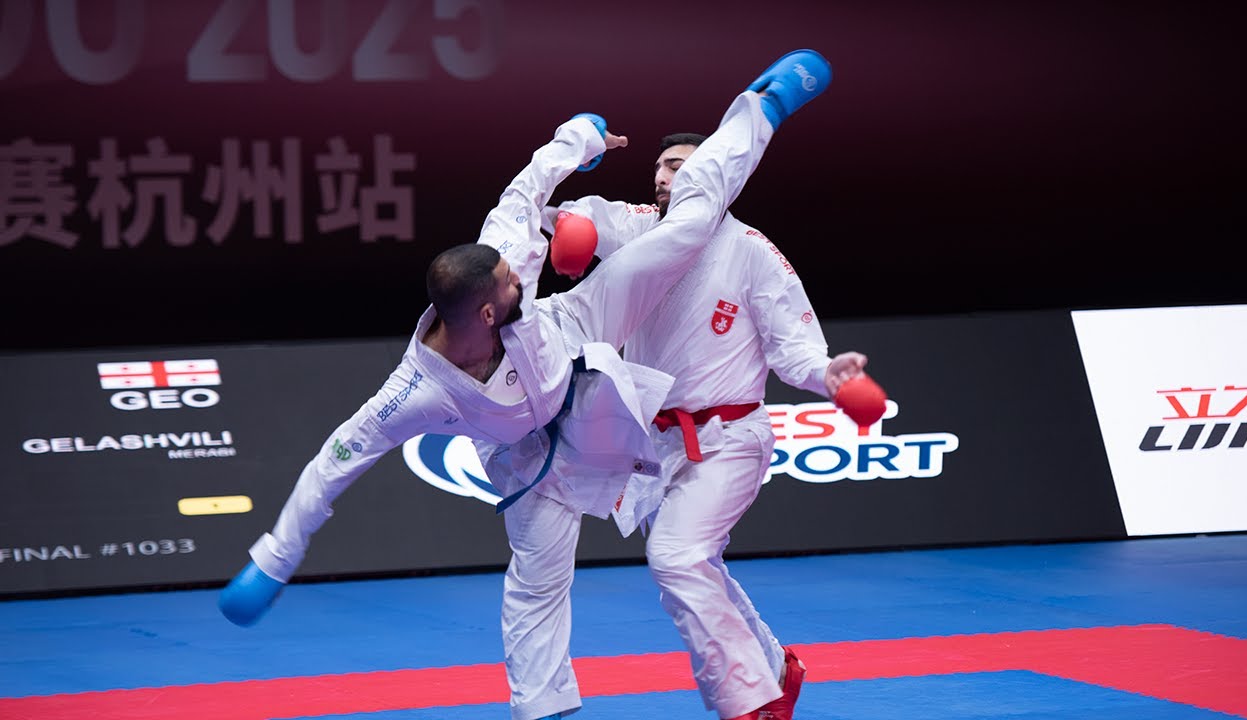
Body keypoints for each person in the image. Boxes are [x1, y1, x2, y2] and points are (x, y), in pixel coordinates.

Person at [217, 50, 834, 717]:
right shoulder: (410, 395)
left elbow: (526, 188)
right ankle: (546, 711)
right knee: (537, 586)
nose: (525, 279)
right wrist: (273, 562)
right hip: (524, 460)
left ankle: (765, 103)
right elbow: (332, 464)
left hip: (575, 348)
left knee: (687, 223)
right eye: (516, 287)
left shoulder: (504, 267)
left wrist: (581, 138)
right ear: (486, 313)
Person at [493, 51, 860, 720]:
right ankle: (775, 666)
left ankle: (750, 704)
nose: (673, 175)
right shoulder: (628, 225)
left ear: (719, 179)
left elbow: (798, 350)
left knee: (677, 557)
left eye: (689, 168)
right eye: (665, 166)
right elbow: (527, 214)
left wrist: (828, 376)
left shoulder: (753, 253)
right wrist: (579, 165)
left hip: (730, 437)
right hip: (655, 443)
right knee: (695, 568)